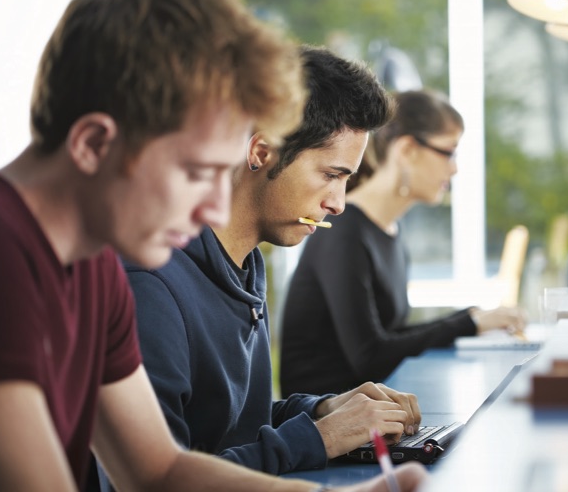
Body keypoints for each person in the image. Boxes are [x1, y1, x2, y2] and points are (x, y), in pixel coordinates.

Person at [0, 0, 427, 491]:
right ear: (93, 144)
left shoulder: (95, 265)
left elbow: (159, 470)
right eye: (198, 173)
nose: (216, 206)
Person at [100, 45, 422, 482]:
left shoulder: (245, 261)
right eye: (331, 175)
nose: (339, 204)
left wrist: (324, 409)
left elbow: (231, 425)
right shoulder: (149, 283)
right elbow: (162, 478)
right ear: (261, 152)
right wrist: (320, 438)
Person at [279, 89, 527, 397]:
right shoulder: (343, 230)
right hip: (328, 425)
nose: (455, 168)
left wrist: (473, 317)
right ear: (407, 149)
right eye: (449, 152)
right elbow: (369, 356)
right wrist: (469, 323)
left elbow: (391, 336)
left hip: (373, 409)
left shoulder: (389, 230)